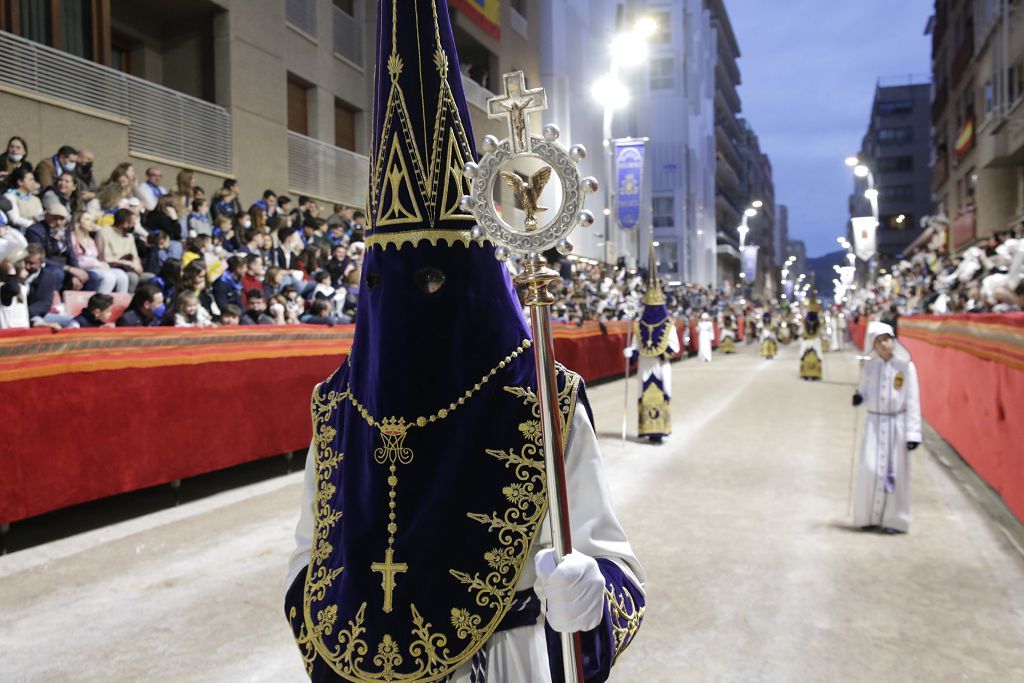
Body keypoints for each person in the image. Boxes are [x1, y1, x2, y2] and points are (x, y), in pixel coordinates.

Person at [284, 4, 644, 681]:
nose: (422, 306)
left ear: (478, 279)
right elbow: (308, 567)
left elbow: (615, 570)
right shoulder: (339, 409)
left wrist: (589, 602)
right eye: (399, 284)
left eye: (439, 280)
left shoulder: (543, 401)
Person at [851, 321, 922, 534]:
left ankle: (895, 519)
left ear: (893, 340)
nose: (884, 344)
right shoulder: (869, 367)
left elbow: (913, 401)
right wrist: (859, 398)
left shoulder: (906, 367)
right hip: (874, 423)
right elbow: (864, 392)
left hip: (897, 424)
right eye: (879, 341)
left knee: (896, 472)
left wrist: (913, 432)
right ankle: (868, 516)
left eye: (887, 339)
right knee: (870, 468)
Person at [623, 242, 680, 444]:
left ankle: (661, 430)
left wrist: (658, 352)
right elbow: (635, 346)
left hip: (660, 366)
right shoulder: (639, 326)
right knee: (644, 396)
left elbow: (675, 347)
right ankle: (649, 430)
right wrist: (631, 352)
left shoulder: (669, 325)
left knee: (662, 394)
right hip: (645, 367)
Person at [71, 211, 130, 293]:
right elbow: (76, 259)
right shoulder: (73, 237)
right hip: (84, 268)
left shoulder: (90, 239)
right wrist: (96, 264)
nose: (91, 223)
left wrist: (101, 263)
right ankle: (100, 302)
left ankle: (121, 302)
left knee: (122, 275)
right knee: (109, 277)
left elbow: (95, 257)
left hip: (95, 267)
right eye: (87, 219)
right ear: (78, 222)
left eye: (92, 220)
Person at [96, 208, 143, 292]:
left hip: (130, 268)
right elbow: (104, 258)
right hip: (111, 267)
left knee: (150, 277)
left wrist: (137, 264)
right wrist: (125, 263)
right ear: (124, 223)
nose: (134, 224)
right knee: (132, 277)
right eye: (132, 222)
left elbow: (135, 256)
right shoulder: (104, 232)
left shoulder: (130, 237)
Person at [799, 302, 824, 381]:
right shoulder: (818, 322)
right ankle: (816, 373)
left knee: (802, 354)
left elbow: (800, 332)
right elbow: (821, 332)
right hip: (815, 341)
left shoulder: (804, 322)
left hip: (807, 342)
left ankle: (804, 373)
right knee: (819, 355)